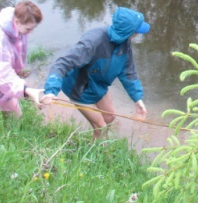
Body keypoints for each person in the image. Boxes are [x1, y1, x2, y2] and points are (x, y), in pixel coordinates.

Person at [41, 7, 150, 139]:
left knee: (109, 117)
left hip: (98, 85)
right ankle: (96, 153)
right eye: (135, 32)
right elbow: (62, 64)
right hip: (80, 89)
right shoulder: (93, 42)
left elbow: (128, 73)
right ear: (126, 31)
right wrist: (51, 90)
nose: (137, 35)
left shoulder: (124, 43)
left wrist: (137, 100)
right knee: (100, 126)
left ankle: (101, 141)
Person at [0, 1, 45, 116]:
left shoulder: (17, 20)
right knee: (16, 112)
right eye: (28, 29)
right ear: (16, 22)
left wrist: (18, 72)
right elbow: (1, 74)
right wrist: (26, 90)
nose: (31, 32)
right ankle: (4, 121)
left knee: (8, 101)